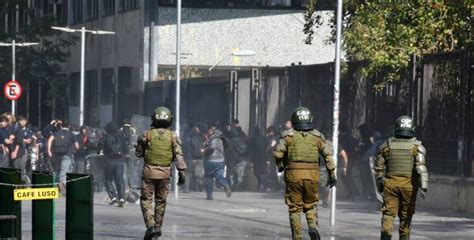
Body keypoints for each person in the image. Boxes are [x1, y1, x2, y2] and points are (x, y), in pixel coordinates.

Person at [273, 107, 336, 240]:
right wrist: (332, 176)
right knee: (311, 204)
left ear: (294, 120)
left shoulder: (287, 136)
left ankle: (297, 237)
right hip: (312, 176)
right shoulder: (317, 136)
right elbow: (328, 157)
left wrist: (281, 166)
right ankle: (312, 226)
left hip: (293, 176)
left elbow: (278, 153)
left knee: (295, 208)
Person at [135, 106, 186, 239]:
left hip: (149, 174)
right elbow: (179, 156)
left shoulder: (147, 135)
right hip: (165, 175)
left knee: (146, 200)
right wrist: (182, 173)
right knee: (161, 202)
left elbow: (138, 153)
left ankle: (150, 226)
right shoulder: (173, 136)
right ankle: (157, 230)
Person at [374, 116, 428, 240]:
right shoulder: (416, 147)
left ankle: (385, 237)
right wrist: (424, 187)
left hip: (390, 185)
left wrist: (380, 185)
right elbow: (421, 168)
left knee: (388, 214)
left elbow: (378, 169)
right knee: (405, 218)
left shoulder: (386, 145)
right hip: (409, 187)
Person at [101, 122, 129, 207]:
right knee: (119, 179)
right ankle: (121, 197)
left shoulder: (106, 137)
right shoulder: (121, 137)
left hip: (109, 160)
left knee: (107, 179)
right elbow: (126, 148)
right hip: (119, 160)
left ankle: (112, 196)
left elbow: (100, 146)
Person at [47, 120, 79, 194]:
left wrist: (49, 151)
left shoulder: (56, 133)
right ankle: (63, 189)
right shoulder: (72, 134)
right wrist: (74, 150)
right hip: (67, 155)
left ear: (61, 126)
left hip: (57, 154)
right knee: (65, 171)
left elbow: (49, 140)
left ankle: (55, 188)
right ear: (69, 126)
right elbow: (77, 146)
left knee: (58, 170)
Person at [202, 125, 232, 200]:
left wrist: (204, 151)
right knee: (220, 176)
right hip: (221, 160)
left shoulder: (214, 138)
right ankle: (226, 185)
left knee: (209, 177)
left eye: (210, 130)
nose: (208, 131)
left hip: (211, 160)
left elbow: (211, 149)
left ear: (212, 131)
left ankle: (209, 195)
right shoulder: (221, 138)